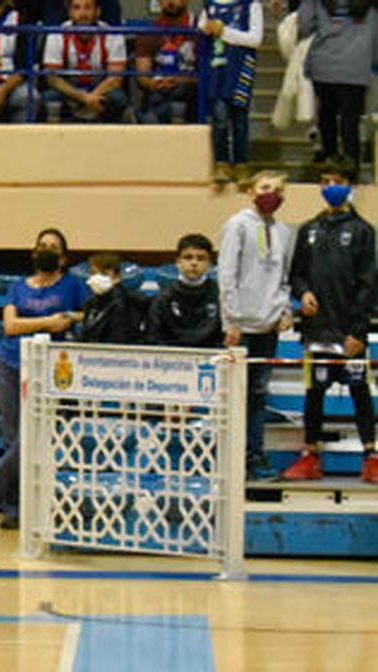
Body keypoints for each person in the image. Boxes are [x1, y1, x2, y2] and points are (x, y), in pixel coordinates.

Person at [0, 227, 86, 528]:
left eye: (53, 247)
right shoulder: (18, 286)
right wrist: (50, 321)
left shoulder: (73, 285)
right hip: (10, 365)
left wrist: (69, 318)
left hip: (51, 371)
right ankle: (14, 510)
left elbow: (88, 312)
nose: (46, 250)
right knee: (13, 438)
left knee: (33, 438)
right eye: (42, 245)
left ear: (63, 258)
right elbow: (10, 326)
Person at [282, 158, 378, 483]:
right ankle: (310, 456)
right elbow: (296, 274)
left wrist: (359, 330)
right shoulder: (309, 229)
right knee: (315, 392)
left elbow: (369, 284)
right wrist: (303, 292)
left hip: (349, 330)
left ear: (350, 186)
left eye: (337, 179)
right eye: (324, 180)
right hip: (317, 330)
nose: (330, 186)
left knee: (359, 391)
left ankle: (371, 457)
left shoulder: (364, 231)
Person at [218, 170, 292, 478]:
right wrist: (231, 319)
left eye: (276, 190)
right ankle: (233, 458)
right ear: (251, 191)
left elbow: (283, 276)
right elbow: (227, 274)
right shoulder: (237, 225)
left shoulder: (285, 231)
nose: (270, 194)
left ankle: (255, 454)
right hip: (241, 326)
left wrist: (285, 309)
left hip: (268, 324)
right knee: (237, 394)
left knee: (259, 394)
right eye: (264, 187)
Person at [299, 0, 377, 167]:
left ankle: (330, 166)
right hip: (356, 66)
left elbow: (305, 26)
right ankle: (351, 172)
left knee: (327, 118)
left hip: (323, 64)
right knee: (351, 124)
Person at [200, 0, 262, 184]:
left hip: (240, 67)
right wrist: (206, 28)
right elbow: (201, 26)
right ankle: (221, 163)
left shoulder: (251, 5)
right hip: (217, 69)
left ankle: (241, 164)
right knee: (219, 119)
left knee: (239, 119)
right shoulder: (209, 5)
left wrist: (224, 32)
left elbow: (255, 39)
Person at [41, 0, 128, 123]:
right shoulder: (56, 34)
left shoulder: (112, 34)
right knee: (50, 97)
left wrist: (92, 97)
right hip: (70, 91)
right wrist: (83, 97)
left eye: (88, 8)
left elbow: (116, 78)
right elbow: (52, 79)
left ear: (98, 12)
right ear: (70, 13)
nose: (82, 13)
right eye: (77, 8)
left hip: (100, 90)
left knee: (118, 97)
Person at [146, 234, 224, 348]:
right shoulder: (163, 299)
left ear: (209, 264)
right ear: (178, 262)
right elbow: (154, 337)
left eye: (201, 258)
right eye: (188, 257)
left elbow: (224, 337)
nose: (194, 263)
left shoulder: (221, 296)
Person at [133, 0, 199, 123]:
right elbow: (142, 73)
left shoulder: (199, 29)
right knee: (155, 97)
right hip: (160, 86)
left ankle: (147, 118)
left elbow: (208, 74)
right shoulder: (150, 32)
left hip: (190, 87)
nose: (170, 2)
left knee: (180, 92)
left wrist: (178, 79)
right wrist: (151, 83)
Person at [79, 251, 147, 345]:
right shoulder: (90, 304)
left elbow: (123, 338)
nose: (97, 278)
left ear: (117, 277)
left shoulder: (129, 303)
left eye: (104, 274)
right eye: (94, 273)